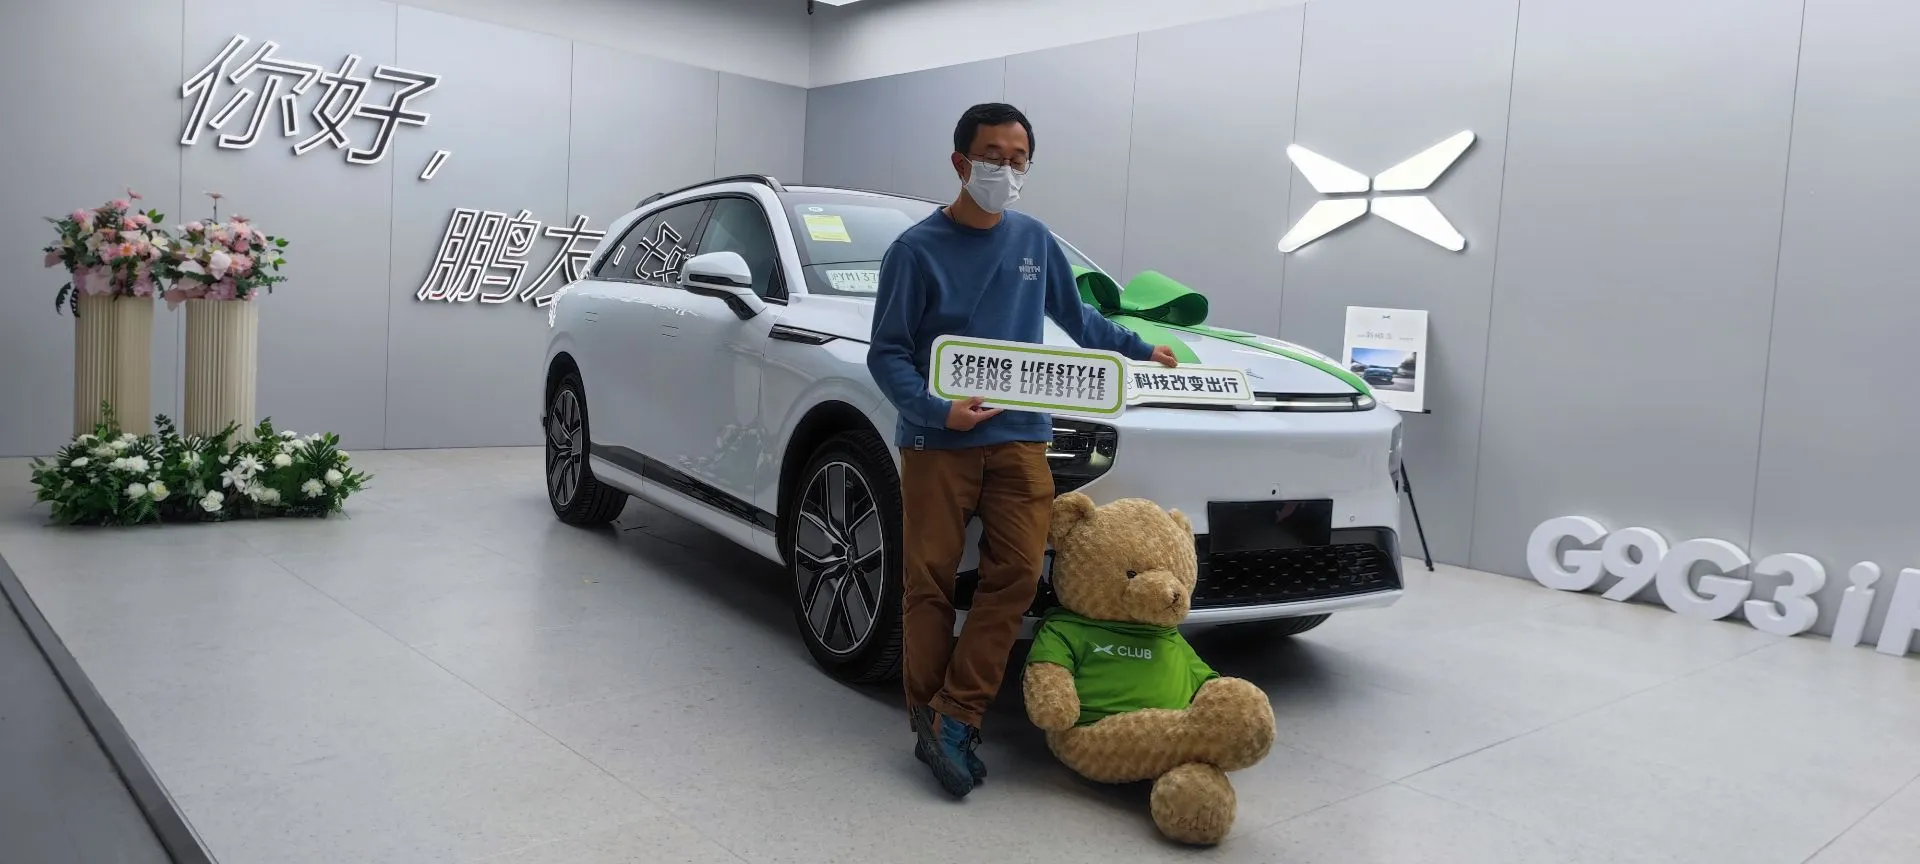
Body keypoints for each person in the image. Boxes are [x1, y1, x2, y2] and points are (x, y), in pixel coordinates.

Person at [867, 102, 1180, 799]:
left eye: (1017, 160)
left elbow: (1078, 318)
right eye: (991, 157)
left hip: (1020, 441)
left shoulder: (1035, 239)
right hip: (939, 443)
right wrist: (937, 409)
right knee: (929, 582)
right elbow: (886, 353)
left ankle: (956, 713)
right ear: (960, 162)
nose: (1005, 171)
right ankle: (928, 717)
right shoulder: (914, 252)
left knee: (1014, 577)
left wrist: (1139, 348)